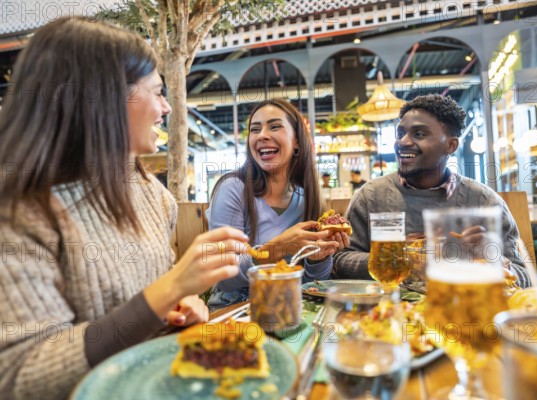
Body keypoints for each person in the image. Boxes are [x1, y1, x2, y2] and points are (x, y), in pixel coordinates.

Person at [0, 17, 248, 399]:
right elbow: (21, 377)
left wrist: (183, 304)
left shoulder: (152, 195)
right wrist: (166, 292)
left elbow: (156, 299)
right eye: (157, 91)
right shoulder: (17, 213)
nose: (166, 107)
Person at [333, 94, 531, 288]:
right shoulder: (371, 196)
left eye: (419, 134)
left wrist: (491, 259)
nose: (403, 142)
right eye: (400, 134)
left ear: (450, 145)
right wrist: (395, 257)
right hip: (389, 314)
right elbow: (339, 260)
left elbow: (524, 277)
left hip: (462, 313)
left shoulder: (484, 201)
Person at [207, 99, 350, 308]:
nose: (262, 135)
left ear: (297, 142)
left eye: (275, 126)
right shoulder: (233, 188)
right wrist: (275, 249)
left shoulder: (306, 198)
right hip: (235, 313)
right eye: (255, 130)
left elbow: (311, 284)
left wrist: (318, 258)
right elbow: (221, 275)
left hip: (289, 310)